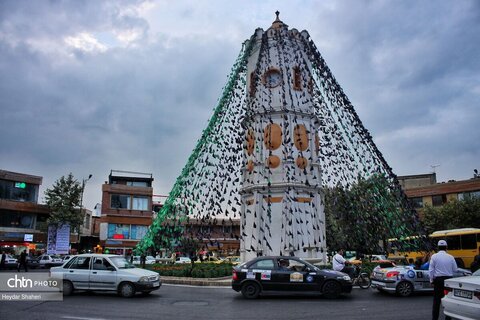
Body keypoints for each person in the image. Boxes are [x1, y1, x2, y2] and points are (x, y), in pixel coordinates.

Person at [429, 240, 457, 320]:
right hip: (448, 281)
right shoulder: (451, 257)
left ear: (438, 247)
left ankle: (435, 319)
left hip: (438, 280)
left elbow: (431, 270)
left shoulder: (434, 256)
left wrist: (431, 280)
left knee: (436, 302)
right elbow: (455, 269)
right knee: (448, 301)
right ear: (446, 247)